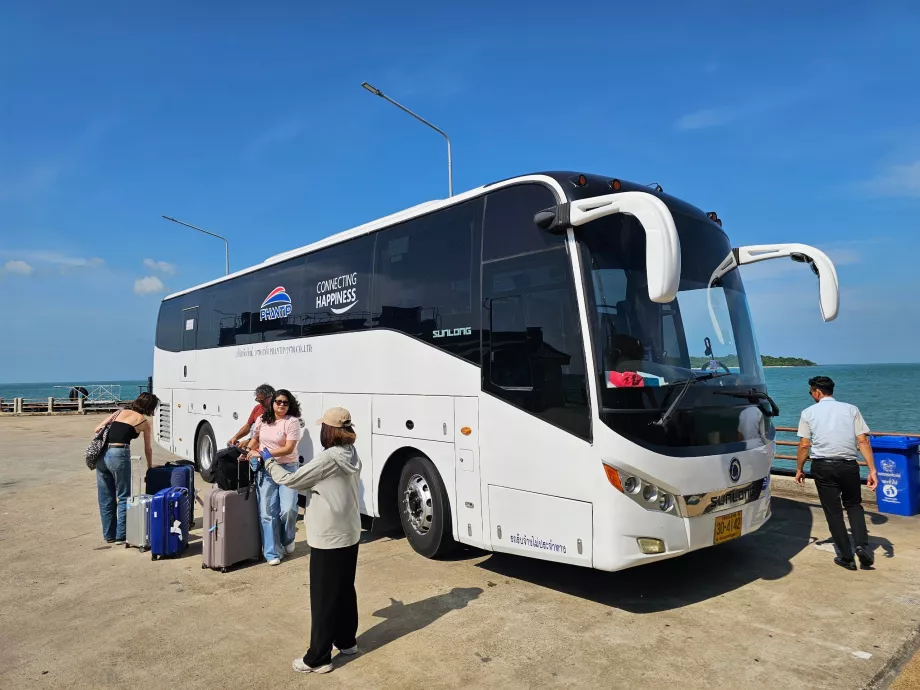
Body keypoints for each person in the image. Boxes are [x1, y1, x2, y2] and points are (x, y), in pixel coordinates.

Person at [257, 407, 361, 675]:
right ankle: (347, 641)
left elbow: (291, 479)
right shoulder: (351, 453)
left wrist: (268, 461)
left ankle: (318, 657)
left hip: (328, 537)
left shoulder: (327, 459)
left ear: (328, 430)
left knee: (324, 597)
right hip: (350, 532)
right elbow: (315, 482)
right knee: (344, 590)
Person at [795, 376, 879, 571]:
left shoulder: (808, 413)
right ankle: (861, 546)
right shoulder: (851, 409)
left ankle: (847, 557)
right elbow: (863, 441)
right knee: (854, 505)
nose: (811, 396)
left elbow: (804, 445)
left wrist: (799, 469)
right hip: (848, 465)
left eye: (811, 393)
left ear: (817, 392)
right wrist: (872, 470)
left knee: (833, 512)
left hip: (823, 467)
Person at [243, 388, 302, 565]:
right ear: (273, 403)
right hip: (265, 469)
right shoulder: (262, 420)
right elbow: (255, 439)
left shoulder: (292, 422)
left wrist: (263, 454)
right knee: (268, 512)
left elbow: (289, 448)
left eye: (285, 402)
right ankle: (272, 552)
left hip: (288, 468)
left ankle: (288, 538)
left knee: (289, 509)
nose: (282, 405)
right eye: (279, 402)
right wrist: (248, 451)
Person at [93, 392, 159, 544]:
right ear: (150, 407)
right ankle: (120, 536)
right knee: (123, 496)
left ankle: (108, 535)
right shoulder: (143, 421)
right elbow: (147, 449)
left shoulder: (119, 412)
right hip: (119, 454)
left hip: (102, 455)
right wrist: (150, 467)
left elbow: (97, 429)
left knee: (105, 497)